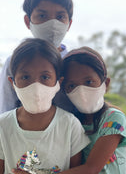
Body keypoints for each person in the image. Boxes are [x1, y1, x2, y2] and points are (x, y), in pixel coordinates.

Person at [0, 38, 90, 174]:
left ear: (58, 82)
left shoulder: (70, 125)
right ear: (12, 83)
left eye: (45, 77)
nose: (36, 85)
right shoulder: (3, 126)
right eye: (25, 77)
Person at [0, 0, 74, 114]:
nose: (52, 23)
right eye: (42, 15)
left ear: (69, 23)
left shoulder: (75, 63)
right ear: (28, 21)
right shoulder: (13, 63)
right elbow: (5, 110)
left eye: (60, 16)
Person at [59, 47, 126, 173]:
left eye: (89, 81)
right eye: (72, 85)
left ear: (105, 84)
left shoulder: (113, 118)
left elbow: (91, 169)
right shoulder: (71, 121)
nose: (81, 91)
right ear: (64, 90)